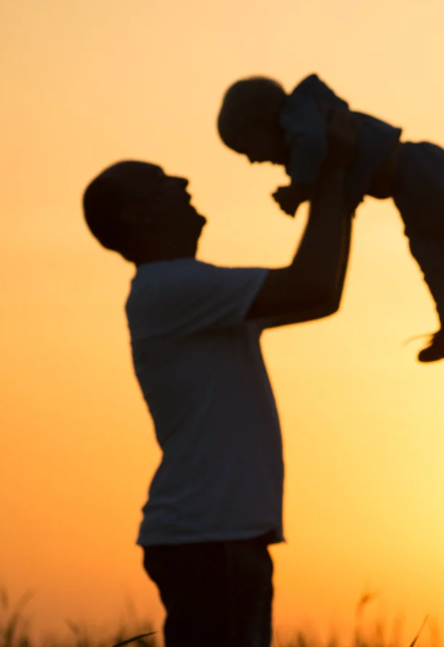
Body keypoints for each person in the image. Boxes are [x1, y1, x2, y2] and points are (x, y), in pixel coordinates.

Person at [81, 111, 358, 647]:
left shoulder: (190, 295)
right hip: (211, 541)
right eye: (161, 181)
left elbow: (319, 294)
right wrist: (335, 175)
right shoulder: (171, 287)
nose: (181, 182)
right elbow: (314, 288)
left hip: (215, 539)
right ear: (137, 214)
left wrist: (336, 183)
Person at [216, 73, 444, 363]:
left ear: (264, 121)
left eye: (249, 149)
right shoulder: (304, 122)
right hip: (409, 187)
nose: (253, 160)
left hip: (415, 169)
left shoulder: (301, 120)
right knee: (434, 249)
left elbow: (314, 146)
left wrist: (300, 187)